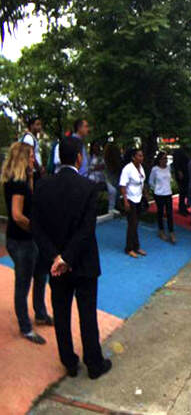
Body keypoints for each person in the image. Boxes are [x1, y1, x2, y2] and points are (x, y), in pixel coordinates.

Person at [31, 136, 112, 379]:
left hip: (56, 266)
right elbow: (87, 229)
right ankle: (94, 363)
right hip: (83, 262)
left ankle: (69, 362)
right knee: (87, 314)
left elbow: (36, 227)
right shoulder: (88, 187)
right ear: (79, 157)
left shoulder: (43, 186)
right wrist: (67, 257)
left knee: (62, 313)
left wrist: (56, 257)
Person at [1, 142, 52, 344]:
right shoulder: (17, 182)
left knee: (41, 276)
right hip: (21, 241)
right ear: (22, 158)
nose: (33, 158)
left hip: (28, 240)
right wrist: (35, 228)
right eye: (30, 156)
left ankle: (40, 313)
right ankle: (26, 327)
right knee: (23, 284)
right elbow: (17, 215)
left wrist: (32, 175)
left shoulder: (24, 179)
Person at [119, 148, 148, 258]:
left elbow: (142, 181)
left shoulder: (141, 168)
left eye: (142, 156)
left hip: (139, 198)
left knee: (136, 224)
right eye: (139, 156)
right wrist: (125, 201)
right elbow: (122, 185)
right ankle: (129, 248)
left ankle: (136, 246)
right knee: (132, 224)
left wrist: (145, 194)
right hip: (130, 199)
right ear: (133, 157)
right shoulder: (128, 169)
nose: (141, 158)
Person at [149, 151, 176, 244]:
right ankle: (161, 231)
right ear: (159, 160)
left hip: (168, 193)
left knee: (169, 213)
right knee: (160, 212)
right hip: (159, 194)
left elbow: (170, 179)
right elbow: (151, 181)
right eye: (164, 158)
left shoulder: (168, 168)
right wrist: (156, 188)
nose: (165, 160)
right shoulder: (155, 169)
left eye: (166, 159)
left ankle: (171, 232)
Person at [103, 142, 122, 214]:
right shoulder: (106, 160)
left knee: (116, 188)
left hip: (113, 176)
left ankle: (116, 205)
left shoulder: (114, 160)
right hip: (110, 177)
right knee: (114, 189)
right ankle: (114, 206)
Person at [172, 147, 190, 216]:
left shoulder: (186, 150)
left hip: (187, 173)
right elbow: (176, 163)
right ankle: (182, 208)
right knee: (183, 191)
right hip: (182, 174)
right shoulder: (178, 151)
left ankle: (183, 207)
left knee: (185, 191)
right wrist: (179, 171)